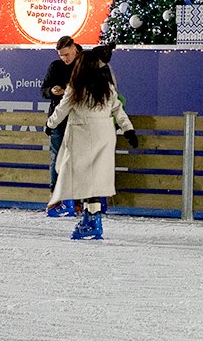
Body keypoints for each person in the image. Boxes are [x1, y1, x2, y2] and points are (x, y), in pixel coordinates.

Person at [46, 44, 138, 240]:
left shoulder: (76, 87)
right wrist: (128, 129)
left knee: (83, 179)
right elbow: (117, 110)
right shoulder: (107, 87)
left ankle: (91, 220)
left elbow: (61, 110)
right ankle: (91, 217)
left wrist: (50, 123)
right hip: (104, 135)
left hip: (82, 135)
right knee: (94, 179)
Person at [41, 34, 82, 217]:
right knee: (57, 156)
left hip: (80, 118)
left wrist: (71, 92)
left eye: (66, 54)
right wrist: (52, 91)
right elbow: (44, 90)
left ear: (74, 48)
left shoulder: (85, 64)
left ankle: (78, 200)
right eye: (61, 55)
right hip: (59, 117)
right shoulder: (55, 67)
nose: (64, 59)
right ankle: (55, 197)